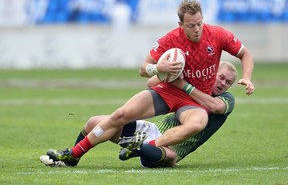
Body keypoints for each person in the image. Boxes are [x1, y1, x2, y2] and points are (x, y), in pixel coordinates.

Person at [44, 0, 254, 167]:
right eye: (191, 26)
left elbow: (245, 54)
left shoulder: (217, 35)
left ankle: (145, 147)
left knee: (199, 122)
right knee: (119, 115)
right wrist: (159, 69)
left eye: (200, 23)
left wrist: (247, 77)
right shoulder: (170, 39)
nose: (197, 29)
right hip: (169, 90)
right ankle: (74, 154)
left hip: (192, 101)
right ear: (181, 24)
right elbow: (143, 69)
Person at [40, 61, 238, 167]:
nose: (223, 83)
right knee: (93, 122)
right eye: (221, 77)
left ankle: (138, 149)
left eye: (227, 82)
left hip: (174, 149)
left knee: (164, 156)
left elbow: (215, 108)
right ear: (212, 73)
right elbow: (151, 84)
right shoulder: (192, 83)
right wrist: (168, 73)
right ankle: (73, 158)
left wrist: (183, 85)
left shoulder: (226, 99)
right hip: (153, 131)